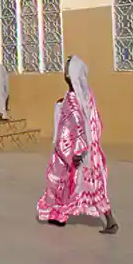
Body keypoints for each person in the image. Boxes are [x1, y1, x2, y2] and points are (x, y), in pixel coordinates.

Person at [37, 55, 118, 234]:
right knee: (68, 184)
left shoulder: (75, 101)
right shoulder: (84, 97)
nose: (64, 73)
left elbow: (76, 126)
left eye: (67, 70)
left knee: (80, 184)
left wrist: (77, 151)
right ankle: (58, 214)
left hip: (75, 152)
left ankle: (110, 220)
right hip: (83, 151)